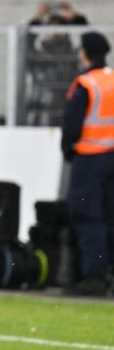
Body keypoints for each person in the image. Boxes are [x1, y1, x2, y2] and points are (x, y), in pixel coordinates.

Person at [61, 32, 114, 296]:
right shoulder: (112, 80)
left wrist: (68, 150)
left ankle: (94, 275)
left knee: (87, 216)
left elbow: (72, 125)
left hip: (90, 158)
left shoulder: (85, 83)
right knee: (109, 215)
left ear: (85, 53)